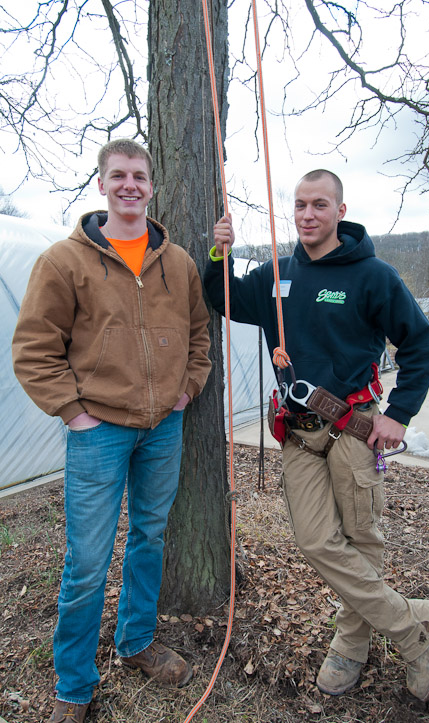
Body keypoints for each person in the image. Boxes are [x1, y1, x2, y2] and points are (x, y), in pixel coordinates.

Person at [204, 169, 429, 702]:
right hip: (297, 433)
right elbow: (225, 300)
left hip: (353, 429)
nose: (307, 214)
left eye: (319, 204)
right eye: (299, 205)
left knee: (362, 539)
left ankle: (350, 645)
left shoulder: (373, 276)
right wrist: (218, 256)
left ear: (340, 210)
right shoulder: (276, 275)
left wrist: (399, 415)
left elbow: (421, 346)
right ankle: (412, 628)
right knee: (316, 541)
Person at [12, 139, 212, 723]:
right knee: (87, 562)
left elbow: (199, 337)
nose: (130, 185)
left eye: (140, 176)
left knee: (150, 538)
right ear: (101, 185)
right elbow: (33, 350)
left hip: (162, 430)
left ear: (153, 187)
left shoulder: (178, 264)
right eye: (118, 175)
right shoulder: (64, 262)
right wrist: (73, 412)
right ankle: (74, 684)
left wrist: (187, 390)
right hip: (96, 431)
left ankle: (136, 642)